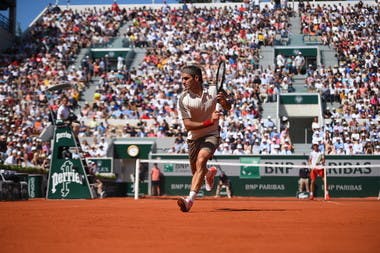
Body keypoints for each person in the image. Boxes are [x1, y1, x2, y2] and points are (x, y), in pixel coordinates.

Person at [176, 64, 231, 212]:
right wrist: (209, 121)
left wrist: (224, 102)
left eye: (186, 78)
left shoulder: (214, 90)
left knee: (201, 160)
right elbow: (188, 125)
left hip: (212, 134)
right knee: (197, 171)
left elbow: (228, 106)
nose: (183, 81)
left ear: (196, 78)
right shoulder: (183, 99)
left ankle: (189, 201)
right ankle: (209, 173)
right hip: (193, 137)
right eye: (182, 79)